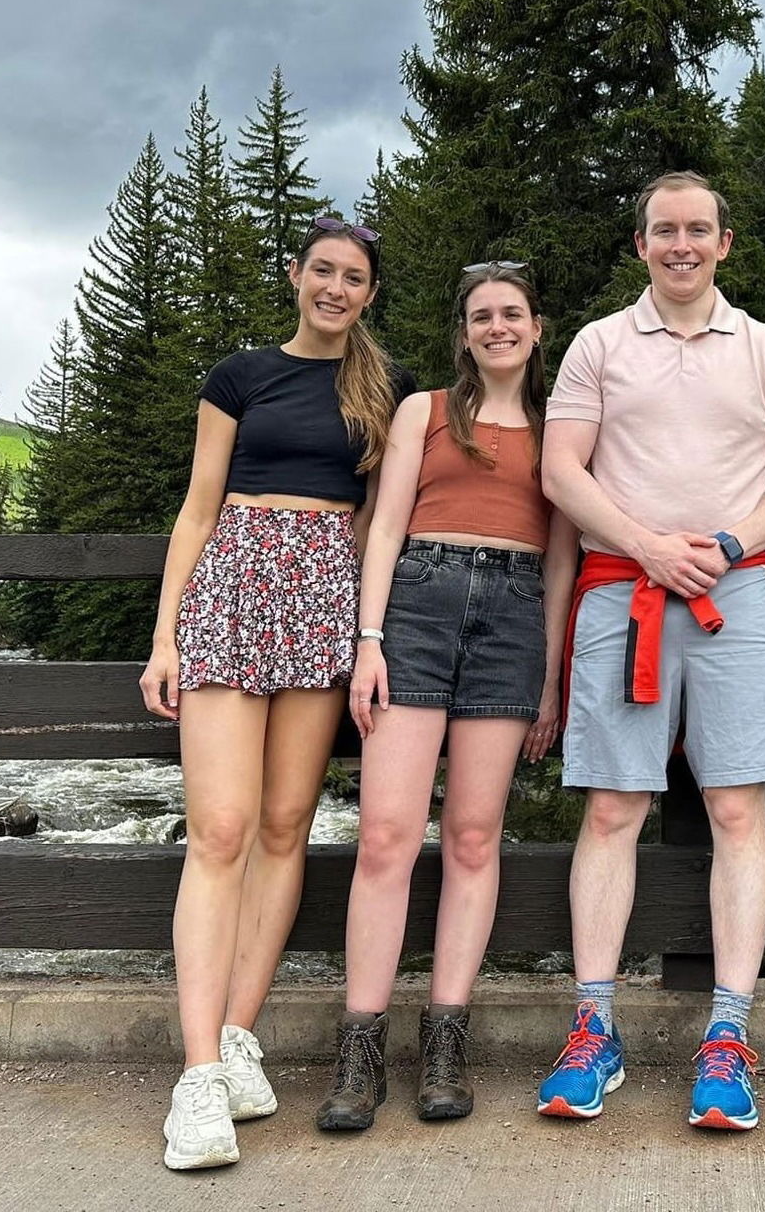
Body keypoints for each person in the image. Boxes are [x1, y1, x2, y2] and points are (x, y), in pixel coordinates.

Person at [535, 171, 765, 1131]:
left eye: (697, 230)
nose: (681, 245)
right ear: (641, 245)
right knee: (615, 806)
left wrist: (729, 545)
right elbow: (559, 468)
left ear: (724, 243)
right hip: (624, 590)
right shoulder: (598, 345)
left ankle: (727, 1037)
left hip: (734, 598)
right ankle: (593, 1028)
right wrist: (652, 544)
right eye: (665, 230)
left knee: (738, 806)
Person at [139, 216, 413, 1170]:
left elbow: (381, 522)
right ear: (296, 276)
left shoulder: (383, 393)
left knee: (286, 824)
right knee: (218, 829)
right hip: (234, 582)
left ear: (370, 292)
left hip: (324, 595)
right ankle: (197, 1075)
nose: (336, 288)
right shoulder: (239, 377)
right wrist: (166, 633)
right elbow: (197, 506)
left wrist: (368, 631)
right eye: (322, 272)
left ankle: (241, 1039)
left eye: (355, 277)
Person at [315, 264, 578, 1132]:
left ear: (536, 327)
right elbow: (383, 526)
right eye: (480, 316)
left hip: (512, 621)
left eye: (511, 313)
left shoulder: (561, 429)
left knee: (471, 835)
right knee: (387, 834)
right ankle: (359, 1050)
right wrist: (368, 639)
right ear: (463, 332)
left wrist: (546, 677)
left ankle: (445, 1042)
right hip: (416, 608)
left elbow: (562, 562)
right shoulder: (423, 410)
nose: (496, 327)